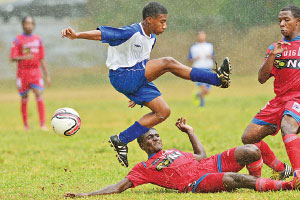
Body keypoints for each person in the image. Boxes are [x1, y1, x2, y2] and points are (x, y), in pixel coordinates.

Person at [61, 1, 231, 167]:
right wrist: (77, 35)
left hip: (135, 79)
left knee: (163, 112)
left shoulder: (151, 38)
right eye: (162, 21)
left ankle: (121, 139)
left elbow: (145, 66)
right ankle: (217, 79)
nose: (164, 26)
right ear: (149, 19)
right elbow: (102, 34)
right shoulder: (131, 31)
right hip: (122, 75)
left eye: (165, 22)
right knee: (168, 63)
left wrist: (135, 92)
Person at [64, 117, 295, 198]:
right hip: (195, 182)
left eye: (157, 135)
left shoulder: (172, 151)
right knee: (234, 179)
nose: (156, 139)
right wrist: (86, 194)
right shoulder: (143, 167)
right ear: (142, 145)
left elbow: (200, 155)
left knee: (251, 150)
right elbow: (117, 187)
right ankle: (284, 185)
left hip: (207, 163)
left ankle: (259, 179)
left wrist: (190, 131)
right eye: (150, 139)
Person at [241, 5, 300, 183]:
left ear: (298, 21)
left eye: (286, 20)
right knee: (248, 138)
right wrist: (272, 55)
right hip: (279, 101)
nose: (282, 24)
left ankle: (298, 174)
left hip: (297, 97)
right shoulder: (275, 47)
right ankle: (282, 169)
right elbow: (261, 78)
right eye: (279, 21)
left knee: (288, 127)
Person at [10, 16, 51, 131]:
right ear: (23, 25)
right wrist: (24, 57)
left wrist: (47, 75)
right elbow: (12, 58)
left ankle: (42, 124)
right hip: (22, 73)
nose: (28, 25)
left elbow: (42, 58)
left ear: (33, 25)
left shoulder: (38, 39)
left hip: (36, 71)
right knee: (24, 97)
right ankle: (26, 126)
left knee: (39, 94)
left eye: (30, 23)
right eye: (26, 23)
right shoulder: (17, 40)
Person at [188, 31, 215, 107]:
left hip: (208, 69)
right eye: (200, 35)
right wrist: (195, 58)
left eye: (203, 35)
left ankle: (198, 95)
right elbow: (189, 60)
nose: (202, 37)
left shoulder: (209, 46)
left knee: (207, 90)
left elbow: (213, 56)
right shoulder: (194, 47)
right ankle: (201, 106)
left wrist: (210, 56)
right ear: (197, 36)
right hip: (198, 69)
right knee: (204, 89)